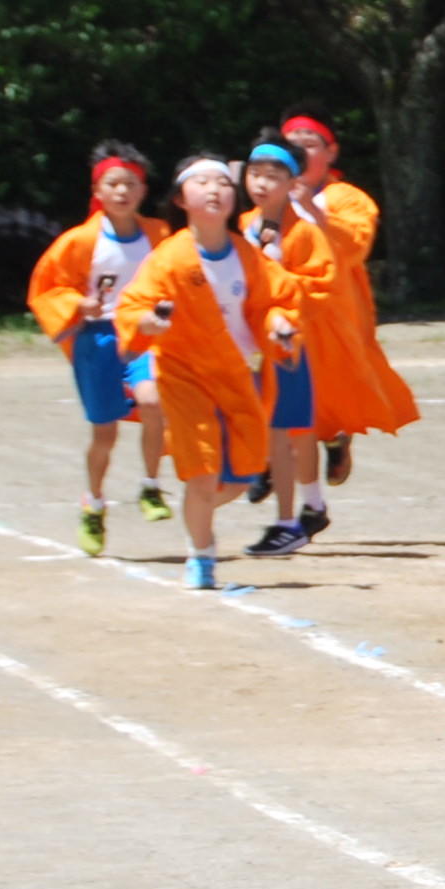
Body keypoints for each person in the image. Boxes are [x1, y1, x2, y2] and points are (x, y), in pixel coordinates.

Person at [115, 156, 303, 593]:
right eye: (201, 182)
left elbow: (273, 301)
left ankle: (197, 513)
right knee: (201, 469)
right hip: (185, 374)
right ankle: (201, 554)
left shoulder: (246, 255)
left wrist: (279, 324)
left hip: (238, 373)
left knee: (241, 474)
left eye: (221, 182)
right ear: (181, 199)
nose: (214, 189)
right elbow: (135, 305)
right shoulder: (169, 258)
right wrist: (149, 323)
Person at [23, 141, 170, 556]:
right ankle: (94, 502)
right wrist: (77, 305)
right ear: (97, 191)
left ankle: (151, 485)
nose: (123, 191)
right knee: (105, 433)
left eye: (131, 184)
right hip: (99, 339)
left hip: (143, 334)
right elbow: (47, 287)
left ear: (143, 191)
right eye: (114, 184)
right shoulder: (79, 241)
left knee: (153, 401)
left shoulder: (160, 235)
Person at [279, 114, 419, 510]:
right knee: (282, 377)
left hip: (337, 306)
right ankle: (269, 463)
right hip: (285, 303)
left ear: (330, 152)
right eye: (291, 144)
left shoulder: (347, 198)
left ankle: (334, 436)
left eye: (309, 144)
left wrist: (314, 210)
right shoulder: (269, 192)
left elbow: (357, 245)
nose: (299, 152)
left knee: (333, 379)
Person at [237, 137, 341, 557]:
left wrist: (274, 273)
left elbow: (323, 286)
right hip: (253, 345)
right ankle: (310, 507)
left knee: (289, 429)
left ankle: (291, 520)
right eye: (255, 174)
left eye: (273, 176)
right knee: (281, 431)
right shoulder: (243, 224)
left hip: (287, 343)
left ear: (292, 183)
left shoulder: (304, 232)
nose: (262, 184)